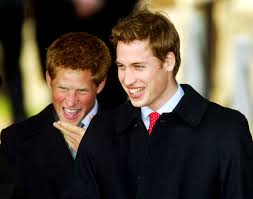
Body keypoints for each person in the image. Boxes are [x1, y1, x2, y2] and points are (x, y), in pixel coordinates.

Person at [65, 8, 253, 199]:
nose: (127, 79)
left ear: (168, 62)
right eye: (122, 66)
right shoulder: (101, 129)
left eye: (139, 67)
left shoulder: (226, 129)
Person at [0, 32, 111, 199]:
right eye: (63, 89)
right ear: (48, 79)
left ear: (100, 84)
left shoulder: (132, 130)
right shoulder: (16, 140)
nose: (71, 102)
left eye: (81, 90)